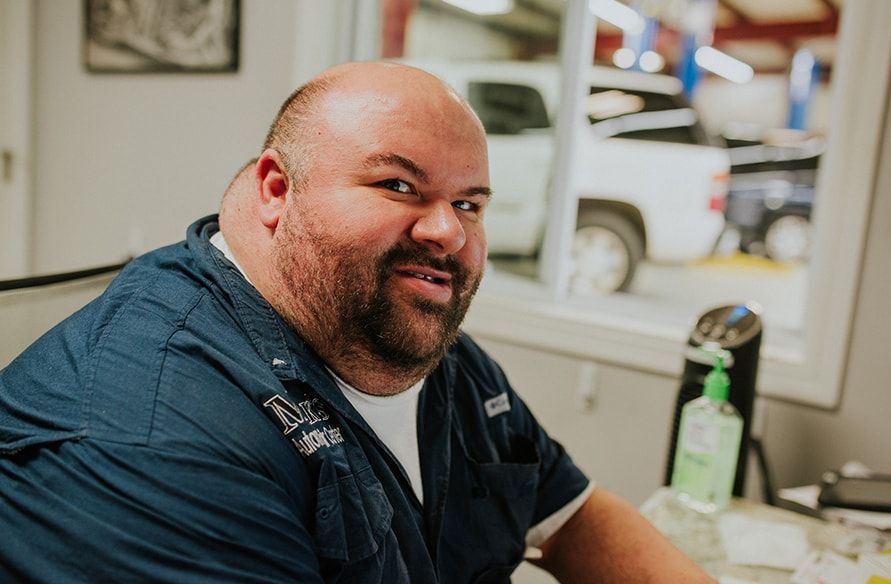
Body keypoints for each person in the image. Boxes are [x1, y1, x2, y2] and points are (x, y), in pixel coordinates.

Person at [0, 62, 712, 583]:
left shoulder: (417, 347)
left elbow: (574, 517)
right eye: (397, 185)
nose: (447, 232)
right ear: (278, 190)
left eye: (469, 204)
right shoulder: (151, 435)